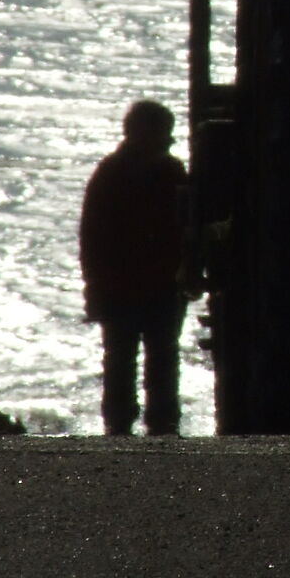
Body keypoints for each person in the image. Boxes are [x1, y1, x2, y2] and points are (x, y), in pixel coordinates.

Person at [78, 99, 191, 437]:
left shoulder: (169, 172)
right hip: (123, 286)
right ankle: (120, 425)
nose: (164, 141)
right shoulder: (114, 173)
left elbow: (186, 229)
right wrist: (95, 284)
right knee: (122, 359)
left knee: (161, 358)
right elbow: (93, 236)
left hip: (160, 285)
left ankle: (161, 425)